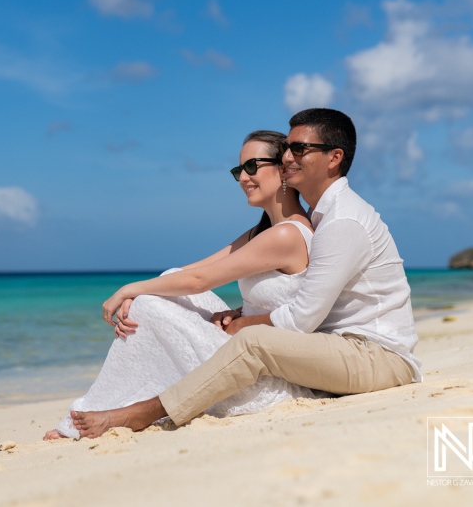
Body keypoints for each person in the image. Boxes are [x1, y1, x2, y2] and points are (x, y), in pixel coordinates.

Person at [70, 108, 422, 439]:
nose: (288, 157)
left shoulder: (341, 221)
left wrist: (241, 324)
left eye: (299, 149)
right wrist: (237, 312)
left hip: (377, 357)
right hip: (340, 347)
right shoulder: (321, 217)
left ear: (334, 158)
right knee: (171, 293)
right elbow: (292, 291)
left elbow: (302, 317)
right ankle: (119, 399)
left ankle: (146, 410)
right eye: (287, 150)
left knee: (252, 341)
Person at [45, 129, 319, 440]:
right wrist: (142, 290)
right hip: (248, 347)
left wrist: (129, 290)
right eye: (239, 170)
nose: (244, 178)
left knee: (148, 301)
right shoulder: (263, 232)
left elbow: (200, 281)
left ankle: (100, 410)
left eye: (253, 166)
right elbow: (192, 270)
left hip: (263, 373)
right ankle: (115, 404)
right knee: (163, 281)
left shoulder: (286, 235)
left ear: (284, 168)